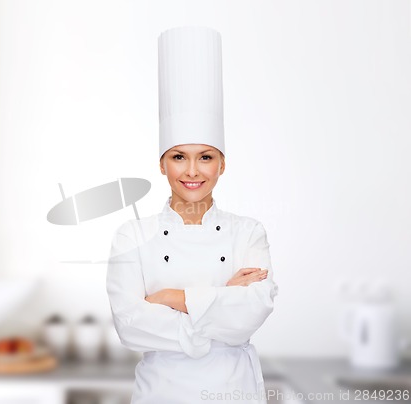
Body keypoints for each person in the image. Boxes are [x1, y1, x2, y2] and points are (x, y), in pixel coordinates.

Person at [106, 26, 278, 404]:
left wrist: (170, 297)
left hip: (231, 390)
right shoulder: (132, 236)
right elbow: (129, 326)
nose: (192, 171)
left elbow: (254, 310)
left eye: (206, 157)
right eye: (179, 157)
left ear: (222, 165)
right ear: (162, 165)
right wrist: (219, 300)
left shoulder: (248, 232)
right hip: (162, 392)